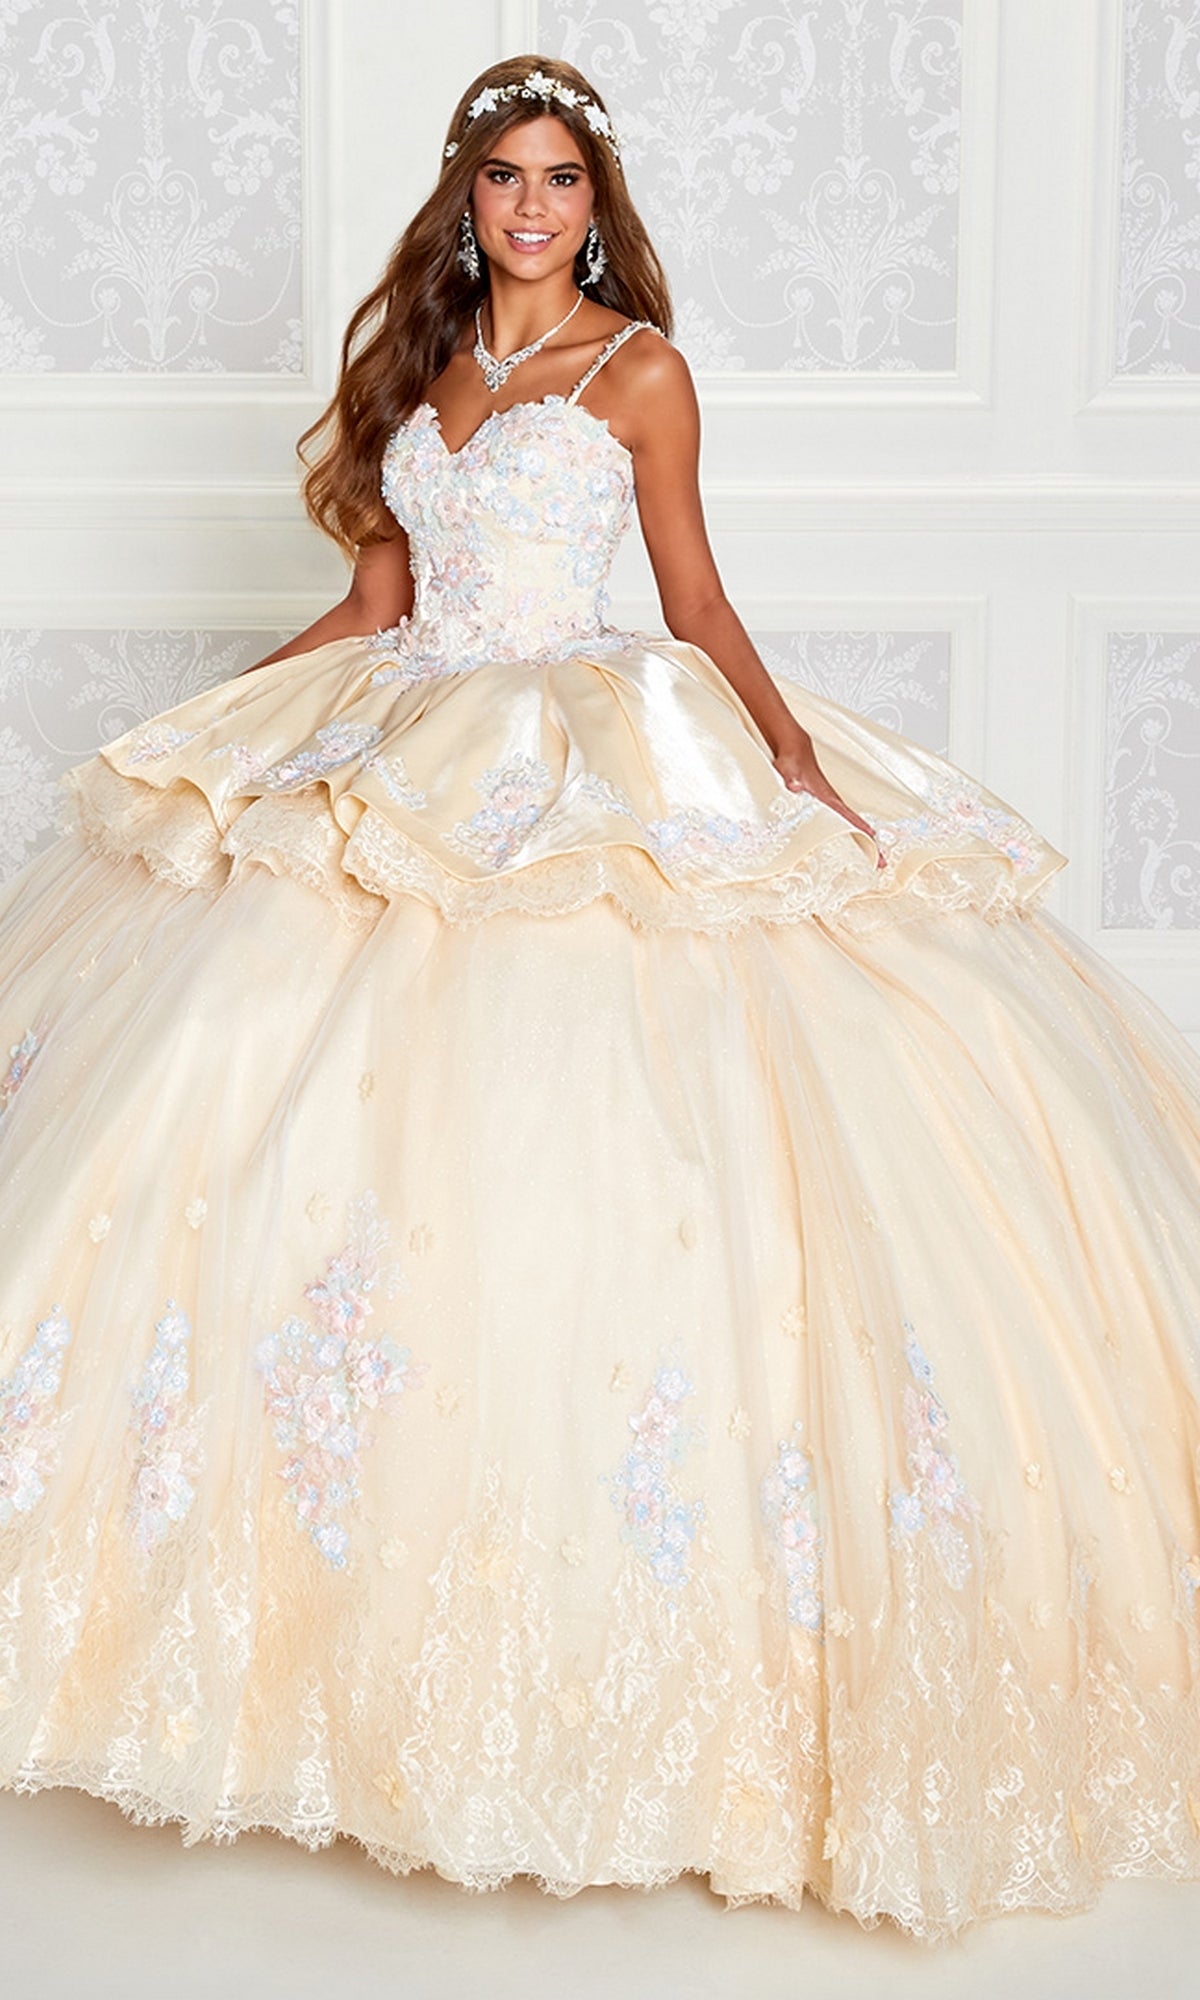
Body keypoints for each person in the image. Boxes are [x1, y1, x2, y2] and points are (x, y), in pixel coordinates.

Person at [1, 51, 1199, 1949]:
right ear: (465, 196)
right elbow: (380, 605)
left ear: (596, 202)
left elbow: (694, 598)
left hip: (583, 732)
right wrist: (230, 716)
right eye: (505, 177)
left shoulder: (638, 370)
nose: (533, 207)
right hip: (409, 724)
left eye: (561, 179)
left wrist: (789, 754)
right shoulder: (415, 368)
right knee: (260, 1061)